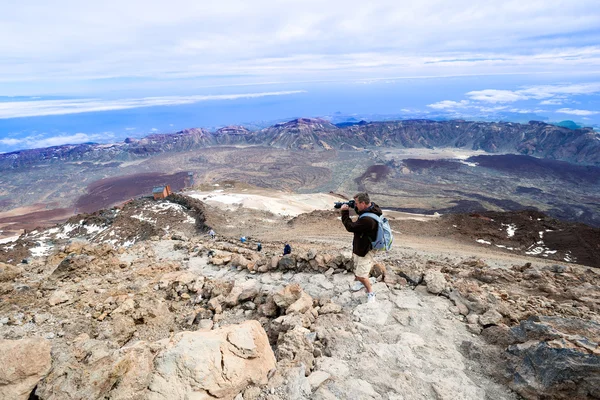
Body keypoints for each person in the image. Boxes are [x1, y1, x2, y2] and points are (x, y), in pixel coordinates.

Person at [340, 192, 382, 303]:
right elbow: (360, 211)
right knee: (359, 268)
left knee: (361, 275)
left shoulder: (368, 220)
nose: (356, 205)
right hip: (361, 247)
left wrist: (344, 213)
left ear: (363, 203)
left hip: (366, 249)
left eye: (357, 203)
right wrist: (353, 205)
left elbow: (350, 227)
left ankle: (370, 292)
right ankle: (361, 282)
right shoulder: (372, 207)